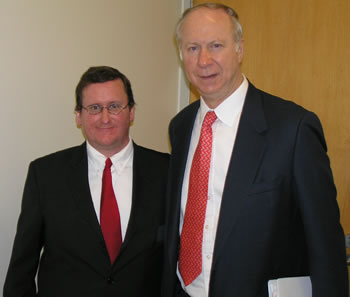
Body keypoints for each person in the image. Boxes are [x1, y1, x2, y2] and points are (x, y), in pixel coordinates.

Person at [162, 3, 348, 297]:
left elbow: (326, 246)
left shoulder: (293, 129)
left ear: (239, 49)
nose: (204, 60)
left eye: (216, 45)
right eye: (192, 48)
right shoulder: (181, 126)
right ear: (181, 55)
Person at [4, 66, 169, 297]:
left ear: (131, 112)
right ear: (78, 116)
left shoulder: (167, 170)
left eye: (114, 106)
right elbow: (21, 268)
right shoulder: (45, 175)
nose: (104, 118)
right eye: (94, 108)